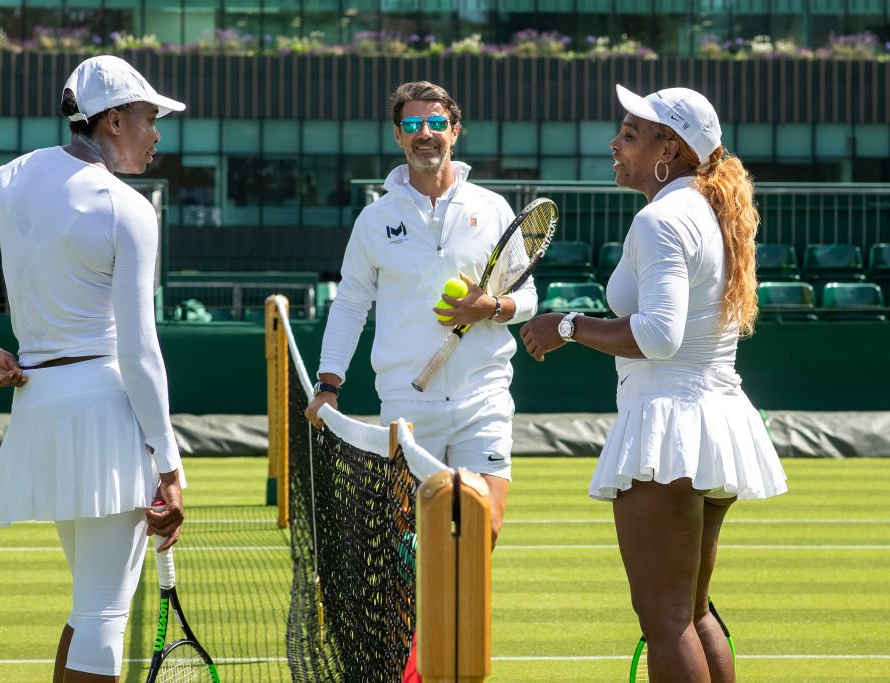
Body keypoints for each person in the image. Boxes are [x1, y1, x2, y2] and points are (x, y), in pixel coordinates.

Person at [0, 55, 188, 683]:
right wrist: (169, 463)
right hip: (105, 410)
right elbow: (140, 352)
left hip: (42, 406)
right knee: (105, 611)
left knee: (91, 606)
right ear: (114, 120)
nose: (156, 131)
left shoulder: (17, 174)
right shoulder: (128, 208)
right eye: (148, 117)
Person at [519, 85, 788, 682]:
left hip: (672, 424)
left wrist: (567, 324)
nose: (615, 144)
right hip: (712, 421)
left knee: (665, 621)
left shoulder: (662, 218)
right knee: (689, 614)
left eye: (631, 134)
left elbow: (659, 336)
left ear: (670, 146)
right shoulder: (705, 207)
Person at [304, 80, 538, 550]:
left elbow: (528, 297)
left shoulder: (492, 209)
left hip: (483, 399)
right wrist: (328, 386)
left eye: (436, 123)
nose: (425, 134)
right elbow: (350, 305)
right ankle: (421, 628)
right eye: (413, 124)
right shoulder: (373, 220)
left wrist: (489, 307)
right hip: (406, 406)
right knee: (408, 545)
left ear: (455, 131)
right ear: (398, 135)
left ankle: (455, 625)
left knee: (482, 528)